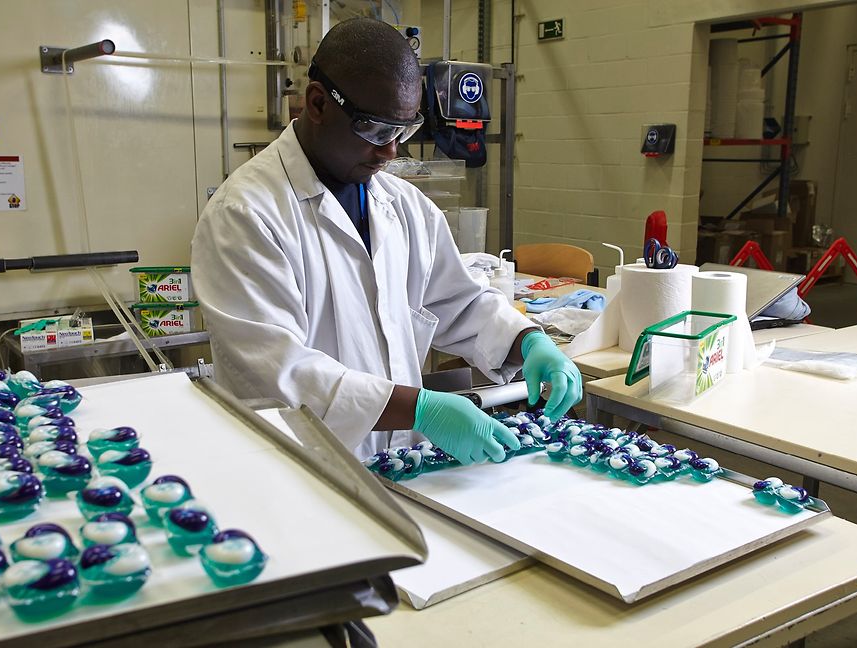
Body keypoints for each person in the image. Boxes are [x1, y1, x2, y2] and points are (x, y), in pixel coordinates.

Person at [191, 17, 581, 462]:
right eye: (376, 130)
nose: (391, 151)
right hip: (301, 471)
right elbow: (278, 373)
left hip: (399, 468)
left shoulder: (404, 207)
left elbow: (459, 303)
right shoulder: (246, 215)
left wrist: (528, 341)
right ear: (317, 104)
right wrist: (421, 409)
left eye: (404, 131)